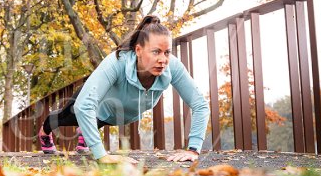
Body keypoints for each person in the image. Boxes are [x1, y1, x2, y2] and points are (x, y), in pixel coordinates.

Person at [39, 15, 210, 163]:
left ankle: (86, 132)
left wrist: (193, 150)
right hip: (93, 102)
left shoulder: (172, 66)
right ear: (138, 50)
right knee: (65, 117)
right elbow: (84, 105)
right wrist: (102, 155)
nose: (163, 59)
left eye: (167, 52)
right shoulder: (117, 61)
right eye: (156, 52)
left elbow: (200, 105)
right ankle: (46, 130)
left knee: (100, 119)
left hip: (117, 114)